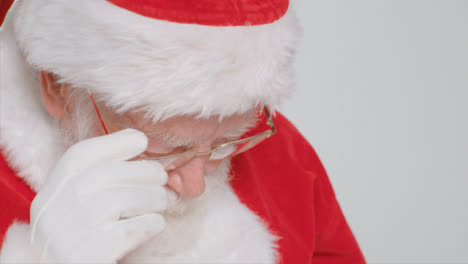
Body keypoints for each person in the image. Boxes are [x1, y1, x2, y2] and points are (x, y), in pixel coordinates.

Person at [0, 0, 366, 263]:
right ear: (57, 86)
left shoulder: (280, 149)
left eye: (223, 144)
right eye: (163, 150)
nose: (195, 187)